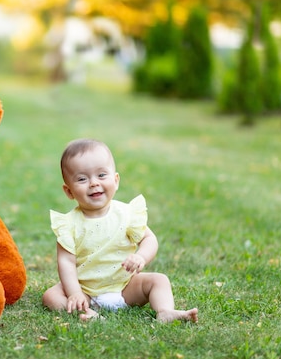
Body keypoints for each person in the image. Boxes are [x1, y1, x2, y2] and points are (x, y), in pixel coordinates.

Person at [42, 138, 198, 322]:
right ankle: (88, 314)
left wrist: (141, 257)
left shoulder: (127, 214)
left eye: (101, 175)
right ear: (69, 191)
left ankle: (165, 311)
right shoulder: (69, 224)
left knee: (159, 280)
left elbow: (149, 239)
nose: (93, 183)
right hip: (86, 292)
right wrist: (75, 293)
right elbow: (66, 262)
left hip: (125, 287)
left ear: (115, 180)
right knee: (51, 296)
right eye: (82, 179)